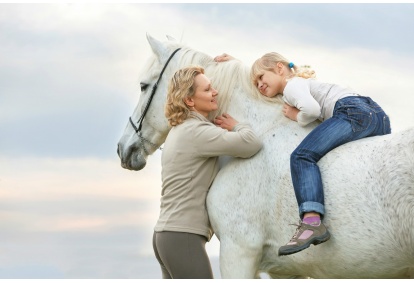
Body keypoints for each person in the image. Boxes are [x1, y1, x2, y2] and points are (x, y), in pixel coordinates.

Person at [214, 52, 391, 256]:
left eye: (261, 77)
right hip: (378, 115)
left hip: (352, 112)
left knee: (302, 156)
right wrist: (236, 63)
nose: (260, 85)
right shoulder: (302, 84)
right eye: (255, 83)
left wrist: (296, 115)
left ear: (280, 68)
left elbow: (312, 110)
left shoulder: (292, 86)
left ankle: (311, 221)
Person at [152, 65, 262, 278]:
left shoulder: (180, 130)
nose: (215, 92)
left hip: (166, 236)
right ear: (189, 100)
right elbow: (251, 144)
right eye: (208, 89)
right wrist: (238, 126)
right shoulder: (196, 132)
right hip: (182, 237)